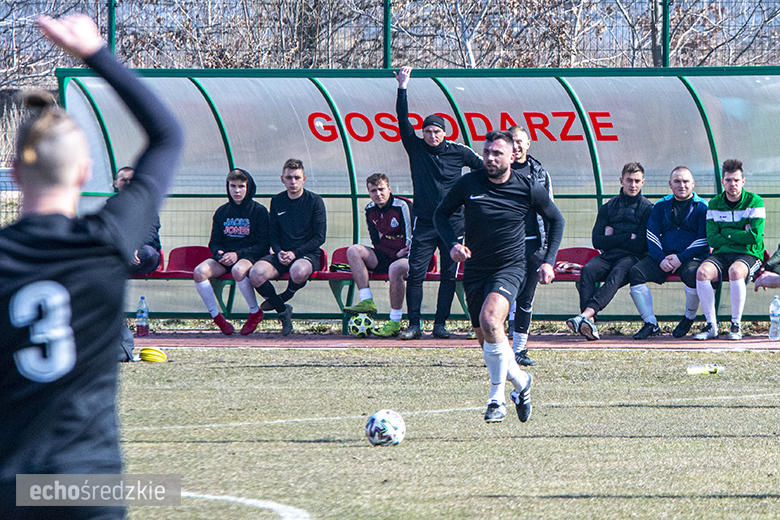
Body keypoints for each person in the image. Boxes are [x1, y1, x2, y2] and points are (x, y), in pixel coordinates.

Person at [0, 14, 183, 519]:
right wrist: (95, 53)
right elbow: (167, 136)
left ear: (14, 173)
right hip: (89, 485)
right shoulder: (107, 242)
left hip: (10, 486)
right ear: (84, 173)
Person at [434, 130, 564, 424]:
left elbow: (556, 219)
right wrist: (454, 243)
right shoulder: (468, 183)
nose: (490, 158)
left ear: (512, 156)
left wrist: (548, 261)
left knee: (492, 320)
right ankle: (521, 382)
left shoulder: (528, 187)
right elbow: (440, 215)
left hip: (511, 267)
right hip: (476, 268)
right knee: (491, 341)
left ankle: (496, 400)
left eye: (497, 153)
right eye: (486, 152)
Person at [394, 66, 484, 340]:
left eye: (436, 131)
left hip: (454, 222)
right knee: (416, 272)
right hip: (425, 221)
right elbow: (402, 120)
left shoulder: (458, 151)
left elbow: (483, 169)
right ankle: (414, 325)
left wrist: (473, 198)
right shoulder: (417, 147)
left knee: (449, 274)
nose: (432, 136)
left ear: (444, 133)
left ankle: (440, 324)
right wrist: (403, 87)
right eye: (428, 131)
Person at [567, 163, 653, 340]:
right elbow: (597, 241)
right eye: (629, 180)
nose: (633, 185)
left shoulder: (648, 208)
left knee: (618, 272)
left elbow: (641, 245)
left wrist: (613, 237)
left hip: (633, 257)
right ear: (621, 180)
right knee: (588, 270)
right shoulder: (608, 207)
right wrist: (628, 235)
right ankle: (589, 322)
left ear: (643, 182)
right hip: (608, 255)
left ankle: (585, 316)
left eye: (637, 181)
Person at [628, 166, 708, 339]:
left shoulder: (703, 207)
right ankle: (650, 323)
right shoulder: (660, 206)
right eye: (677, 181)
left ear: (693, 183)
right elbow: (652, 234)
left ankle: (688, 318)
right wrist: (660, 258)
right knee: (636, 272)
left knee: (692, 274)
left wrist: (681, 257)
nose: (682, 185)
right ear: (670, 184)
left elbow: (704, 239)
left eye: (686, 181)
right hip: (663, 257)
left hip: (689, 258)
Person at [250, 159, 327, 336]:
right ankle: (283, 310)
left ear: (304, 179)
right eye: (289, 177)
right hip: (282, 254)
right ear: (282, 179)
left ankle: (286, 295)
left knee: (298, 270)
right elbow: (273, 234)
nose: (293, 182)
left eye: (297, 177)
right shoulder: (277, 201)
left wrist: (296, 253)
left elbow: (319, 237)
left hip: (306, 254)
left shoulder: (315, 201)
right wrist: (279, 252)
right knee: (255, 273)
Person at [193, 168, 270, 336]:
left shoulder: (259, 211)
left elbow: (263, 245)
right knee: (199, 272)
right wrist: (219, 254)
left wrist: (238, 254)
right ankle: (217, 318)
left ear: (249, 187)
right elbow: (214, 242)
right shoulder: (222, 211)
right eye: (233, 186)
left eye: (241, 186)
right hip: (224, 259)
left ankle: (254, 312)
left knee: (238, 269)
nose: (237, 191)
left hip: (248, 257)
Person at [694, 159, 765, 340]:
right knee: (702, 272)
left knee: (735, 271)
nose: (732, 184)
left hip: (749, 254)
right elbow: (712, 238)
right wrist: (739, 233)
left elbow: (754, 237)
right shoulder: (714, 203)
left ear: (743, 181)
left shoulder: (754, 201)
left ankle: (735, 325)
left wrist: (726, 232)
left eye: (736, 180)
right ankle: (711, 326)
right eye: (728, 180)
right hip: (721, 253)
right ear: (723, 181)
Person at [506, 125, 554, 366]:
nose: (516, 145)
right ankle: (498, 350)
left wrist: (548, 254)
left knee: (525, 299)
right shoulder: (497, 171)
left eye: (520, 141)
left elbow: (551, 214)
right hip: (504, 246)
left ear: (528, 143)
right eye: (511, 140)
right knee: (500, 296)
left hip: (533, 245)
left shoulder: (540, 174)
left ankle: (519, 350)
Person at [342, 174, 412, 337]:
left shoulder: (402, 206)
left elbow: (411, 240)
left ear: (389, 189)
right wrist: (394, 253)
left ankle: (394, 322)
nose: (378, 194)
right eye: (373, 191)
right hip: (389, 254)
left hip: (409, 257)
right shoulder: (369, 209)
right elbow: (376, 242)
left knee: (395, 269)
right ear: (368, 192)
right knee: (353, 250)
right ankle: (367, 301)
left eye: (381, 189)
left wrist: (399, 254)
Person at [114, 166, 162, 275]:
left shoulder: (148, 206)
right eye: (123, 180)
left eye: (131, 180)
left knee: (149, 254)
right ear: (116, 184)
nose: (128, 183)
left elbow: (150, 232)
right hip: (118, 252)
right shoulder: (111, 206)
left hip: (141, 253)